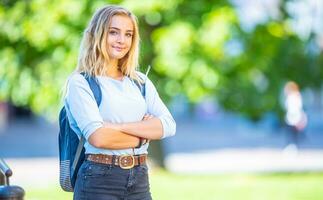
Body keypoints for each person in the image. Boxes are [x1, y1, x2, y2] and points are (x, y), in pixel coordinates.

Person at [64, 5, 176, 200]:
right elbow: (98, 138)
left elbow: (168, 125)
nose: (121, 40)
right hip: (98, 180)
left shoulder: (139, 82)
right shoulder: (81, 83)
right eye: (113, 32)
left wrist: (116, 127)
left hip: (139, 177)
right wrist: (143, 134)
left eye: (128, 34)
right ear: (97, 35)